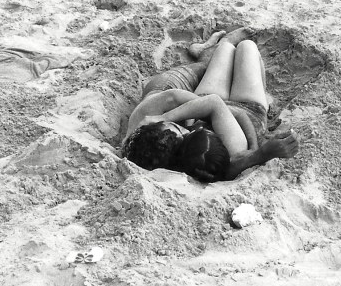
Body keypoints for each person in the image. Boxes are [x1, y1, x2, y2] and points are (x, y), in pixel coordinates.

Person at [123, 34, 299, 182]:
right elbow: (230, 112)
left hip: (207, 103)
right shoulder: (231, 149)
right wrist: (256, 149)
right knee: (247, 47)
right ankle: (264, 95)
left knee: (226, 49)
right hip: (246, 109)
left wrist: (135, 134)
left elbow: (176, 98)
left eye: (177, 125)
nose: (184, 127)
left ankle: (209, 49)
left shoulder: (165, 152)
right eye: (180, 129)